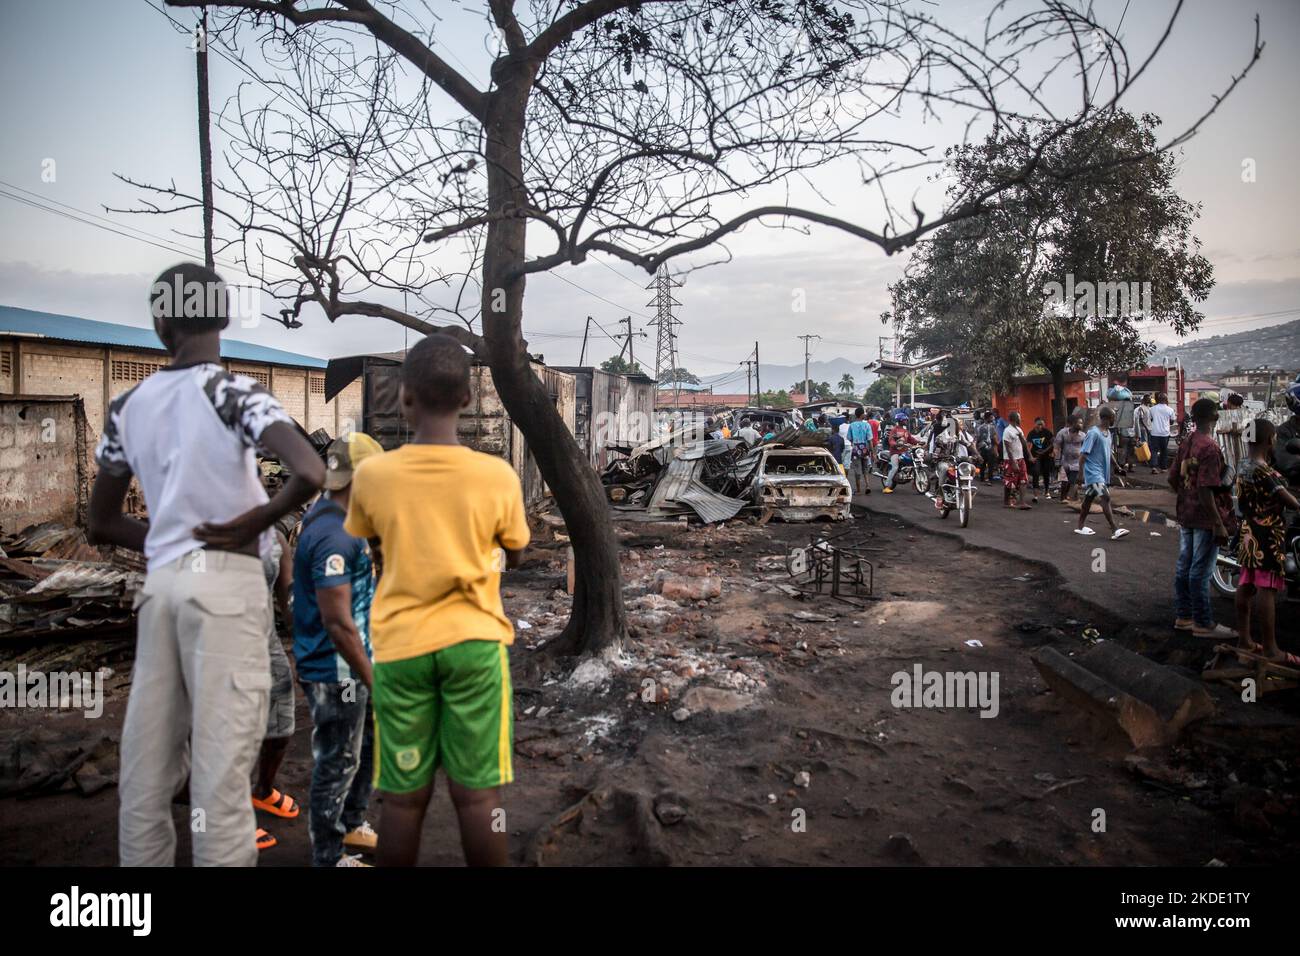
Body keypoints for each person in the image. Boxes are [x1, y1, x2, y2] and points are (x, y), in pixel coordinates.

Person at [87, 262, 325, 866]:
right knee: (220, 786)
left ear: (161, 322)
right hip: (225, 591)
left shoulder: (125, 406)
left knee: (144, 779)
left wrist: (173, 540)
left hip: (162, 588)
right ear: (221, 317)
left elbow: (102, 522)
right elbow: (310, 472)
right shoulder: (235, 392)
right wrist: (252, 522)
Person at [344, 334, 529, 867]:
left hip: (401, 649)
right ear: (468, 398)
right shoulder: (496, 475)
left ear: (404, 396)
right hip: (475, 646)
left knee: (402, 802)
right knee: (478, 798)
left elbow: (375, 544)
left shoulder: (374, 475)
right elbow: (516, 553)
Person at [294, 432, 383, 867]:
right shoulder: (333, 534)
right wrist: (374, 680)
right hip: (338, 673)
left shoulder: (335, 518)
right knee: (338, 761)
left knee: (364, 746)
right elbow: (338, 623)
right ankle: (328, 857)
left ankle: (352, 823)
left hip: (352, 665)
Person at [1232, 418, 1300, 664]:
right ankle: (1271, 648)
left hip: (1248, 532)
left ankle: (1244, 640)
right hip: (1268, 535)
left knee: (1247, 583)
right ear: (1270, 440)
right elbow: (1289, 501)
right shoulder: (1265, 471)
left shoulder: (1243, 465)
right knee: (1267, 588)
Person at [1169, 397, 1237, 639]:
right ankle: (1203, 622)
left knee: (1184, 566)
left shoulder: (1187, 442)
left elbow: (1172, 477)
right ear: (1214, 416)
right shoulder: (1209, 447)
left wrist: (1186, 495)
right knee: (1200, 569)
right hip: (1205, 517)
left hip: (1186, 513)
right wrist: (1218, 523)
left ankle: (1184, 616)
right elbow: (1207, 488)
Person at [251, 526, 299, 852]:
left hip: (265, 642)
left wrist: (309, 641)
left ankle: (263, 790)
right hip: (217, 643)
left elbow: (290, 598)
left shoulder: (274, 537)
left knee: (281, 725)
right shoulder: (205, 530)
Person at [1073, 406, 1128, 540]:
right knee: (1106, 497)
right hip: (1093, 474)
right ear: (1108, 418)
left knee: (1088, 500)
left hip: (1101, 473)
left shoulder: (1108, 433)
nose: (1115, 418)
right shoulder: (1093, 433)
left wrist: (1117, 466)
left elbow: (1108, 452)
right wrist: (1080, 475)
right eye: (1114, 416)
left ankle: (1080, 526)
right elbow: (1083, 455)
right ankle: (1114, 529)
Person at [999, 412, 1031, 509]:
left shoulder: (1019, 429)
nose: (1020, 419)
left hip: (1020, 458)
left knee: (1023, 480)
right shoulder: (1007, 431)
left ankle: (1022, 502)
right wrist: (1013, 462)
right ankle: (1006, 501)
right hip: (1010, 459)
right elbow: (1007, 448)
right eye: (1019, 418)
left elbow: (1024, 444)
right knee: (1009, 481)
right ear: (1015, 419)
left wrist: (1029, 456)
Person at [1054, 412, 1086, 502]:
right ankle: (1063, 497)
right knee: (1064, 481)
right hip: (1065, 460)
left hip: (1076, 461)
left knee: (1073, 481)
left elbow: (1086, 449)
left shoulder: (1083, 435)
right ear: (1074, 423)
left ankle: (1073, 498)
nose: (1081, 425)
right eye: (1079, 423)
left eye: (1082, 423)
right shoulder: (1063, 433)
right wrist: (1057, 460)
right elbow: (1057, 446)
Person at [1107, 373, 1136, 474]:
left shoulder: (1116, 411)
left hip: (1122, 434)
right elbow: (1135, 423)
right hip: (1130, 434)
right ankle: (1129, 466)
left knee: (1122, 451)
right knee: (1130, 452)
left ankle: (1121, 465)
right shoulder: (1132, 411)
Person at [1216, 391, 1248, 480]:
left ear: (1229, 403)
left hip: (1230, 449)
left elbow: (1246, 432)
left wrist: (1229, 430)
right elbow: (1251, 434)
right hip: (1244, 449)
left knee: (1231, 471)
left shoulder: (1226, 415)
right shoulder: (1247, 414)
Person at [883, 411, 918, 493]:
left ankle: (915, 483)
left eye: (906, 420)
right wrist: (894, 444)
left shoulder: (905, 431)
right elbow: (891, 439)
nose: (906, 421)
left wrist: (919, 442)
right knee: (895, 467)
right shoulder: (894, 430)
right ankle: (886, 486)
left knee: (913, 463)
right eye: (904, 420)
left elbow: (911, 439)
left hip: (904, 452)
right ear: (900, 420)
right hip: (895, 452)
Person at [1026, 416, 1055, 503]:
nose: (1040, 426)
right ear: (1035, 424)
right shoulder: (1031, 433)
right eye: (1039, 424)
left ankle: (1047, 491)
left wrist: (1045, 451)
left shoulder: (1047, 432)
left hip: (1046, 456)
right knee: (1036, 472)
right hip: (1036, 456)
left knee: (1046, 473)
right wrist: (1030, 456)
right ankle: (1035, 495)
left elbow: (1053, 442)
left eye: (1042, 424)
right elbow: (1028, 446)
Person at [847, 408, 873, 495]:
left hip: (855, 449)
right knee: (865, 469)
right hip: (865, 449)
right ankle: (867, 486)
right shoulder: (867, 425)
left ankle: (858, 490)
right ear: (861, 415)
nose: (865, 415)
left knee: (857, 470)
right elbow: (870, 440)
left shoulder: (852, 425)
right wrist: (873, 453)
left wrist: (854, 445)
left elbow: (849, 438)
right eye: (864, 413)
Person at [1149, 392, 1175, 473]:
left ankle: (1154, 467)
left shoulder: (1152, 409)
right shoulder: (1170, 410)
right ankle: (1163, 468)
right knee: (1164, 450)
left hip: (1154, 432)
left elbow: (1151, 419)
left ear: (1157, 400)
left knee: (1154, 450)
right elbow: (1172, 421)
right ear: (1166, 400)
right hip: (1165, 433)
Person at [975, 411, 1000, 486]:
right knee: (990, 465)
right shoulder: (992, 427)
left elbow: (977, 439)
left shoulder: (979, 427)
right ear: (988, 418)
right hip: (990, 448)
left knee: (982, 463)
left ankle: (982, 478)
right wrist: (997, 447)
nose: (992, 418)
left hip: (982, 447)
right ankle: (990, 480)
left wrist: (976, 450)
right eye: (991, 417)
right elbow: (995, 439)